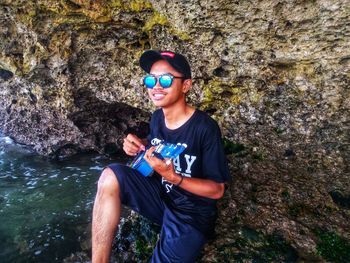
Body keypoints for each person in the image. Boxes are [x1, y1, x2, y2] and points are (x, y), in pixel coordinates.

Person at [92, 50, 230, 263]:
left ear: (186, 85)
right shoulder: (157, 118)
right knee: (110, 176)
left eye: (165, 79)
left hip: (190, 214)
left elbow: (217, 190)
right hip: (160, 197)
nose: (156, 85)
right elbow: (157, 144)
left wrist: (175, 177)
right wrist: (138, 145)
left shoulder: (205, 128)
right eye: (150, 79)